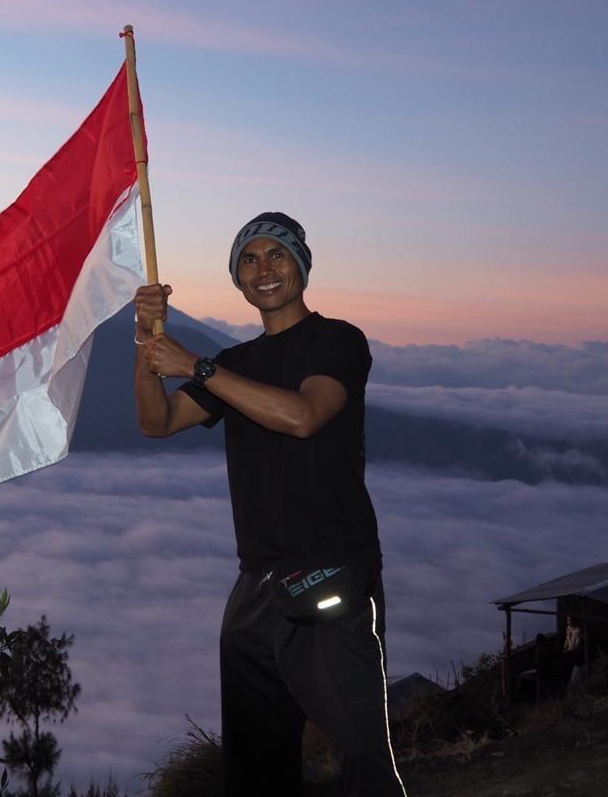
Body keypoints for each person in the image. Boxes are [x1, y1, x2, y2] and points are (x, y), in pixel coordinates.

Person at [134, 211, 406, 796]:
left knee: (361, 749)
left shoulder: (338, 341)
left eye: (276, 255)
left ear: (302, 265)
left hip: (330, 571)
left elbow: (304, 416)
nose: (263, 270)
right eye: (249, 260)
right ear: (238, 279)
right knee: (256, 761)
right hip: (256, 584)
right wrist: (147, 341)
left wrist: (194, 365)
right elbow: (158, 421)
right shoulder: (236, 363)